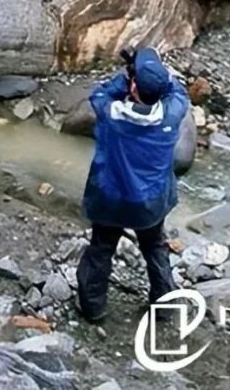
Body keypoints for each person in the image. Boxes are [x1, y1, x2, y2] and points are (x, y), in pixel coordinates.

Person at [76, 46, 190, 323]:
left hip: (111, 199)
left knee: (101, 249)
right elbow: (179, 92)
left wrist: (125, 79)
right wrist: (158, 77)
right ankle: (164, 306)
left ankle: (94, 308)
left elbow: (100, 93)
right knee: (155, 248)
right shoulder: (171, 114)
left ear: (134, 85)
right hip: (150, 202)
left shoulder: (112, 113)